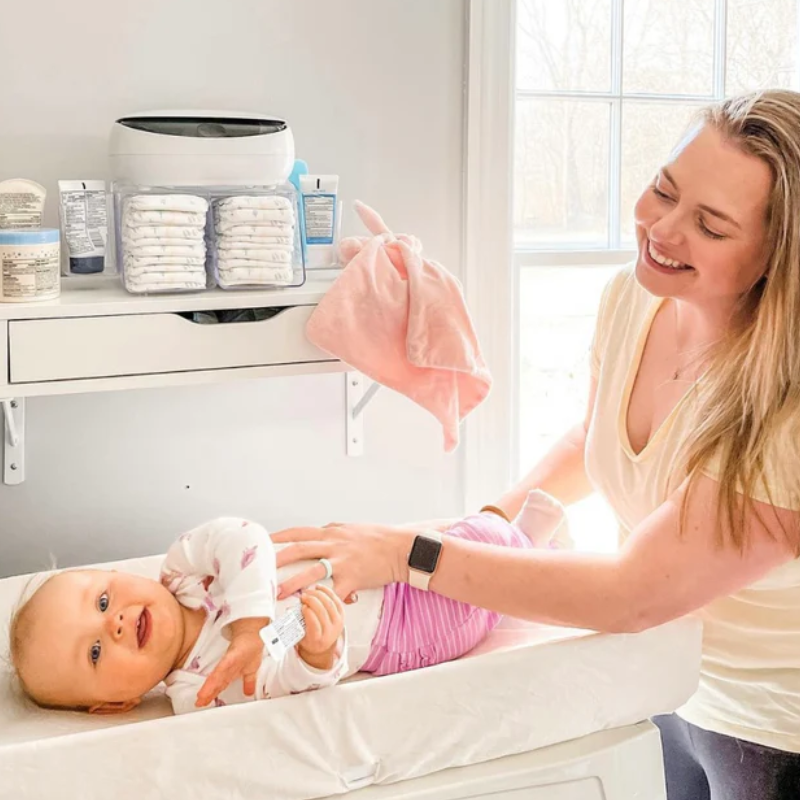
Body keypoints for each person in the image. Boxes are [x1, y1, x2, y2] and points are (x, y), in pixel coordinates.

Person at [271, 90, 800, 800]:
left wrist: (409, 554)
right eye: (664, 190)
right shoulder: (635, 298)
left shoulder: (786, 408)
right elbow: (597, 437)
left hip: (774, 725)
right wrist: (491, 523)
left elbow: (630, 594)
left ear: (776, 257)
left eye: (710, 225)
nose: (663, 229)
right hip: (669, 677)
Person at [7, 490, 565, 716]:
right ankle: (531, 538)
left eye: (104, 600)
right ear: (115, 704)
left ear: (113, 575)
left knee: (466, 539)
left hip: (372, 560)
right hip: (402, 629)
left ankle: (519, 531)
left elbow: (243, 536)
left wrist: (250, 625)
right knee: (483, 584)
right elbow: (277, 684)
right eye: (95, 653)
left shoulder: (183, 568)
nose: (116, 623)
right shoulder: (198, 689)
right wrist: (315, 654)